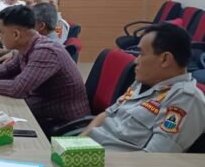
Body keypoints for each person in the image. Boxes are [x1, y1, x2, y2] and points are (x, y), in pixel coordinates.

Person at [0, 5, 90, 134]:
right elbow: (9, 68)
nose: (0, 36)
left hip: (63, 123)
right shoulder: (29, 45)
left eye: (2, 32)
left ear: (16, 34)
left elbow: (18, 89)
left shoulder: (45, 51)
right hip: (42, 108)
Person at [82, 23, 205, 152]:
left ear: (165, 59)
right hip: (87, 151)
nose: (136, 60)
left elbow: (156, 157)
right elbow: (107, 114)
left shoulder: (184, 99)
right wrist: (78, 143)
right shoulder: (145, 81)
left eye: (142, 54)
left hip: (108, 160)